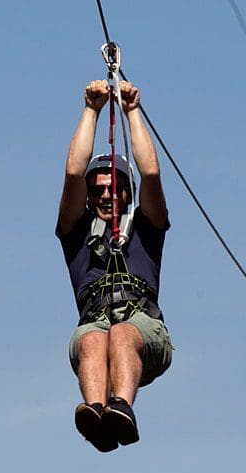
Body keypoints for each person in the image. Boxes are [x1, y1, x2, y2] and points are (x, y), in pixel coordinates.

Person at [57, 79, 172, 452]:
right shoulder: (77, 232)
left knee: (121, 333)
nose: (107, 195)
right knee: (92, 338)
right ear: (89, 198)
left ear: (128, 192)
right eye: (99, 190)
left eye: (115, 187)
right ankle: (96, 414)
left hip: (142, 327)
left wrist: (132, 111)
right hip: (94, 321)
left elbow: (151, 173)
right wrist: (91, 111)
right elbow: (73, 174)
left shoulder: (145, 228)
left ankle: (121, 406)